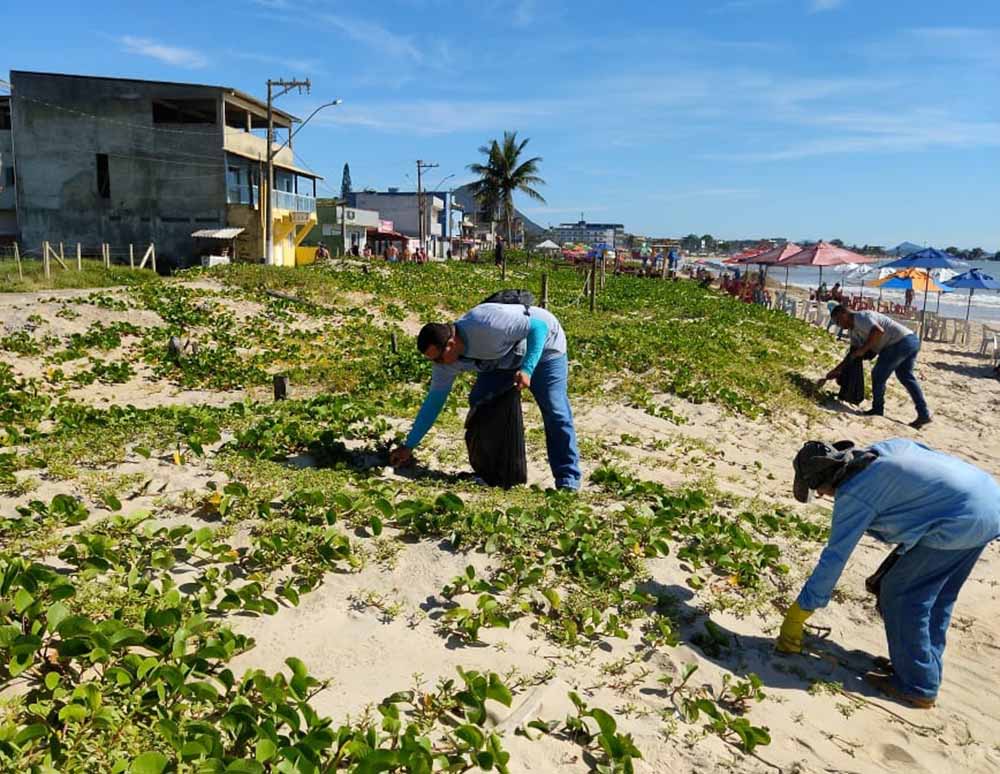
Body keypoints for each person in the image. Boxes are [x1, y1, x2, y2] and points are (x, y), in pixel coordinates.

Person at [778, 438, 1000, 708]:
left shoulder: (854, 494)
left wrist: (800, 611)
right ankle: (922, 666)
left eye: (820, 490)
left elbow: (834, 558)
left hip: (959, 522)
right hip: (988, 502)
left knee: (902, 595)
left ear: (827, 482)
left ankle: (918, 685)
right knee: (938, 597)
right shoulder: (882, 450)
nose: (824, 496)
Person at [388, 302, 581, 491]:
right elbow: (433, 403)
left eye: (438, 357)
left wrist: (528, 369)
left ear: (451, 344)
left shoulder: (486, 324)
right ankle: (492, 474)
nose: (437, 363)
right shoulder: (444, 364)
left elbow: (538, 327)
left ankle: (567, 480)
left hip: (546, 346)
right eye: (432, 360)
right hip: (502, 360)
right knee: (481, 403)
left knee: (555, 411)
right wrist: (409, 445)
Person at [827, 304, 931, 429]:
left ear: (845, 314)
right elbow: (852, 355)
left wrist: (864, 349)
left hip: (899, 342)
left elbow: (878, 331)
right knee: (906, 377)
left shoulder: (861, 317)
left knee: (878, 375)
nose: (839, 326)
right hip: (911, 341)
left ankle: (877, 409)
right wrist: (837, 370)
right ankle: (923, 413)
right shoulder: (853, 331)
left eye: (838, 321)